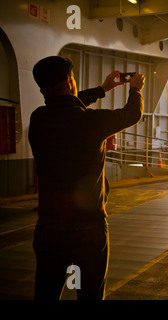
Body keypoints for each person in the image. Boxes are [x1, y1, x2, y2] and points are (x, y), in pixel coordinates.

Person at [29, 56, 145, 300]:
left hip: (48, 228)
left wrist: (102, 90)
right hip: (88, 229)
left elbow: (63, 106)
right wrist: (135, 88)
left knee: (45, 295)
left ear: (42, 89)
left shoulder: (38, 119)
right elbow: (132, 113)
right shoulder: (91, 122)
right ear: (71, 81)